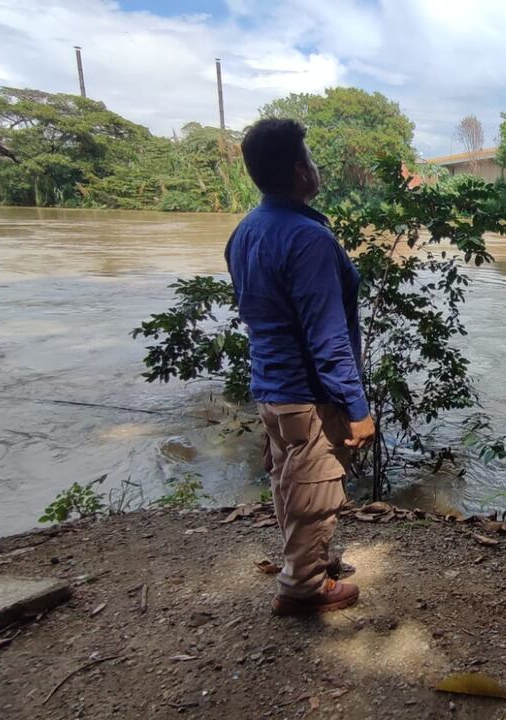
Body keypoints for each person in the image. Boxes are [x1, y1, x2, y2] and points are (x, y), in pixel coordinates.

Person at [225, 118, 375, 616]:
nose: (314, 168)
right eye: (309, 159)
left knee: (288, 481)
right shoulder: (307, 239)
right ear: (298, 171)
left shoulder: (246, 230)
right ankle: (303, 587)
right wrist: (356, 408)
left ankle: (302, 565)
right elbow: (327, 336)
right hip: (307, 394)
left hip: (270, 387)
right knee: (316, 487)